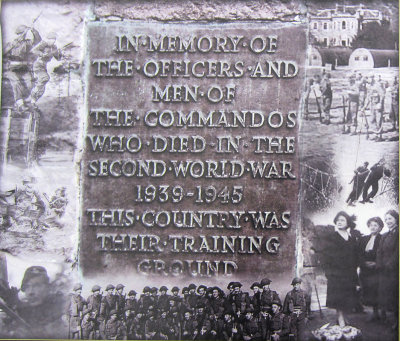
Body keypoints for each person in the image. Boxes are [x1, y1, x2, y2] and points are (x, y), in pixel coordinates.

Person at [316, 211, 359, 327]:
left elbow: (355, 256)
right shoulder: (331, 237)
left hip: (349, 272)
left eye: (342, 220)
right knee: (338, 296)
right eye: (338, 220)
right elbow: (324, 255)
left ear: (348, 223)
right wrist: (328, 271)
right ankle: (340, 317)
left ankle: (344, 316)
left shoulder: (352, 238)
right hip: (335, 272)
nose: (339, 222)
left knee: (347, 295)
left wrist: (355, 272)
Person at [15, 266, 67, 338]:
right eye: (27, 286)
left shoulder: (58, 309)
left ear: (48, 288)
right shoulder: (22, 310)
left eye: (37, 285)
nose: (30, 292)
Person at [3, 25, 41, 111]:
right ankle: (20, 104)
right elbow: (3, 53)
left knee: (30, 83)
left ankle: (26, 102)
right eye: (20, 34)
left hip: (23, 68)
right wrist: (12, 46)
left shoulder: (27, 43)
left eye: (23, 34)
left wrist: (33, 30)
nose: (21, 36)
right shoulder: (11, 43)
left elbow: (38, 40)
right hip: (11, 69)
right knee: (16, 83)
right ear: (17, 34)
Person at [376, 210, 398, 328]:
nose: (388, 221)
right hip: (384, 269)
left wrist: (390, 264)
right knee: (385, 292)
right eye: (386, 219)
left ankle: (397, 320)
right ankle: (385, 317)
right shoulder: (384, 235)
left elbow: (397, 252)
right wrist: (379, 264)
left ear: (396, 218)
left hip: (395, 269)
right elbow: (379, 251)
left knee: (396, 293)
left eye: (390, 218)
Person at [27, 32, 62, 105]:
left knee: (42, 88)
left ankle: (33, 100)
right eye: (51, 39)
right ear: (48, 39)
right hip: (38, 65)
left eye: (54, 39)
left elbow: (58, 58)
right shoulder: (43, 44)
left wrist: (60, 52)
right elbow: (33, 50)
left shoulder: (54, 47)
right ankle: (33, 92)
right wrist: (42, 54)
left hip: (44, 66)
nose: (53, 41)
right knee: (45, 78)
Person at [359, 217, 383, 321]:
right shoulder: (364, 239)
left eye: (375, 225)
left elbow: (384, 254)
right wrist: (363, 263)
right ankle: (374, 313)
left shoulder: (383, 238)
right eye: (371, 225)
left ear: (380, 227)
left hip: (377, 269)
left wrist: (376, 263)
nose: (373, 227)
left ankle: (381, 312)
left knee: (377, 290)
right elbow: (359, 253)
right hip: (365, 269)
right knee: (368, 291)